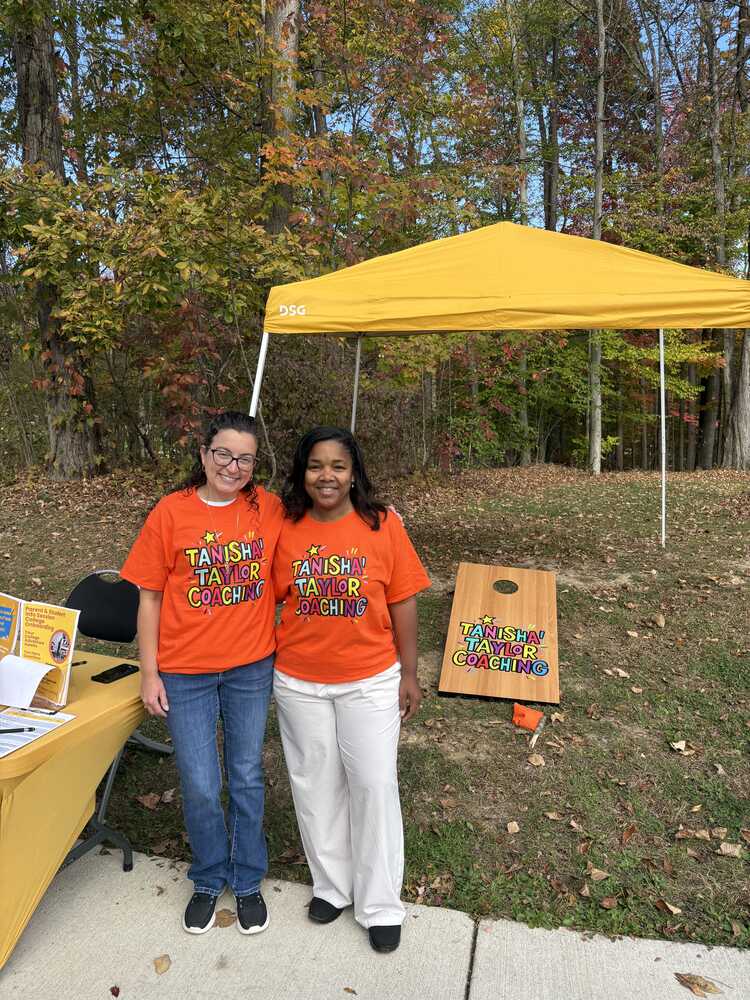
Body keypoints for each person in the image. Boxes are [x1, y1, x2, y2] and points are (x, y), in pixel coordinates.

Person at [121, 411, 283, 935]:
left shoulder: (267, 508)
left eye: (245, 459)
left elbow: (322, 525)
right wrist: (149, 673)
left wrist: (377, 514)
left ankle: (248, 877)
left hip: (249, 668)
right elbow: (149, 598)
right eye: (223, 454)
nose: (233, 467)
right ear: (203, 454)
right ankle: (210, 877)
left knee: (246, 775)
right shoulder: (171, 512)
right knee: (199, 782)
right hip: (185, 672)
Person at [272, 426, 430, 954]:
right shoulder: (284, 527)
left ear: (354, 473)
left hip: (369, 679)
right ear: (302, 473)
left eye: (338, 466)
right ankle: (332, 886)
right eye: (316, 465)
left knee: (373, 784)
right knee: (315, 785)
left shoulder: (382, 524)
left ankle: (380, 904)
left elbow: (403, 599)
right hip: (299, 681)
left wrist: (409, 673)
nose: (327, 476)